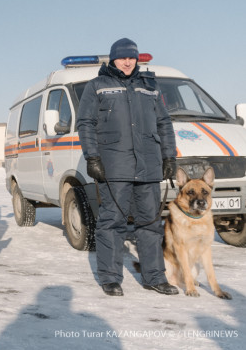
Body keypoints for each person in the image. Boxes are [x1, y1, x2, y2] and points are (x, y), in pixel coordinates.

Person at [77, 38, 179, 297]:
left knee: (150, 223)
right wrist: (92, 158)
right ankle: (110, 278)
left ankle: (154, 277)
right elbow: (86, 123)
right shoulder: (97, 86)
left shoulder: (150, 86)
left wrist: (169, 157)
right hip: (114, 167)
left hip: (148, 166)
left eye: (131, 57)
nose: (127, 62)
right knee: (112, 222)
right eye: (122, 57)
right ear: (113, 59)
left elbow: (164, 124)